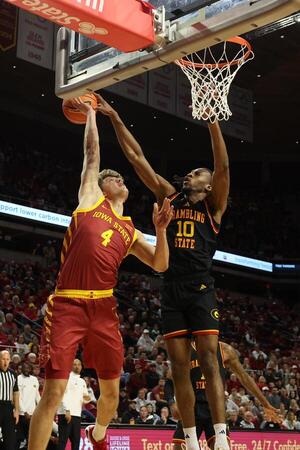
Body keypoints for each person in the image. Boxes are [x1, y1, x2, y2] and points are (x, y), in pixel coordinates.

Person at [28, 95, 173, 450]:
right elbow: (92, 155)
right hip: (67, 305)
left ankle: (98, 435)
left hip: (104, 310)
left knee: (111, 393)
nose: (122, 181)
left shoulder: (130, 229)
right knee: (54, 391)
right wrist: (92, 113)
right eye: (117, 178)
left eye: (123, 179)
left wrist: (163, 230)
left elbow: (161, 264)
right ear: (104, 185)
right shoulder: (91, 197)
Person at [97, 94, 230, 450]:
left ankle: (220, 436)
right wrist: (114, 117)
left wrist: (212, 121)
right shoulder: (170, 196)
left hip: (201, 287)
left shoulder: (214, 206)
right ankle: (189, 438)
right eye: (191, 172)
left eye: (197, 173)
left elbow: (223, 167)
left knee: (208, 359)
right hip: (171, 287)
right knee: (179, 369)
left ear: (209, 184)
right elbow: (137, 158)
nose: (191, 174)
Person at [167, 341, 280, 450]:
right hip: (191, 408)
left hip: (215, 409)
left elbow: (245, 378)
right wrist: (172, 404)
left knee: (222, 447)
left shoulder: (225, 350)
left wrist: (265, 404)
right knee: (179, 447)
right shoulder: (185, 350)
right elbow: (168, 381)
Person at [57, 359, 90, 450]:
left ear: (81, 367)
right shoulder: (66, 378)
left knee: (76, 442)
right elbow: (61, 394)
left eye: (79, 364)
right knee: (62, 441)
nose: (77, 366)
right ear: (71, 366)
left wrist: (87, 399)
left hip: (77, 414)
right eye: (75, 364)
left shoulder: (82, 381)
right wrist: (66, 410)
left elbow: (84, 398)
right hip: (66, 413)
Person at [17, 362, 40, 449]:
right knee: (19, 439)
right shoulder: (18, 378)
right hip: (22, 414)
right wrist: (24, 412)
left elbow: (37, 396)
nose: (26, 370)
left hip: (33, 414)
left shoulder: (34, 379)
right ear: (21, 369)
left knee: (31, 438)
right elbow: (18, 397)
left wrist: (40, 409)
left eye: (28, 368)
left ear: (31, 369)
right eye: (24, 368)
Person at [0, 350, 19, 450]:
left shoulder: (13, 374)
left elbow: (16, 392)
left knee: (10, 438)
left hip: (8, 407)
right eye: (3, 359)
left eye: (7, 359)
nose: (5, 362)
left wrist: (17, 410)